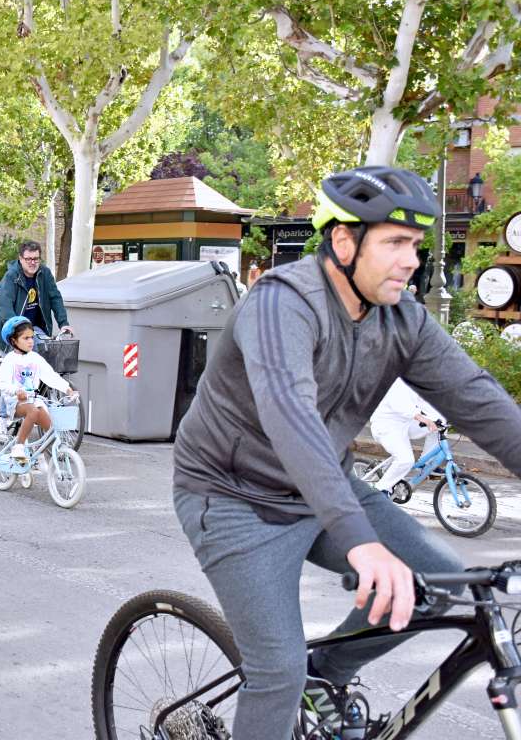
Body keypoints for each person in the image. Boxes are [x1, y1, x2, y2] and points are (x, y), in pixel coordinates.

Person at [171, 165, 521, 739]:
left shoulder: (401, 318)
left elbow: (479, 402)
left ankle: (327, 674)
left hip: (324, 486)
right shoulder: (281, 305)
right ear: (344, 241)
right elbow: (291, 417)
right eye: (395, 242)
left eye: (415, 244)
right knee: (277, 672)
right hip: (234, 498)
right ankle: (296, 682)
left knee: (440, 583)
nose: (412, 259)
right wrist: (362, 543)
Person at [0, 316, 76, 460]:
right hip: (15, 402)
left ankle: (37, 454)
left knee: (50, 426)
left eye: (32, 337)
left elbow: (50, 376)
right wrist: (16, 390)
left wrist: (67, 389)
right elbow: (2, 383)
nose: (31, 341)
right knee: (32, 411)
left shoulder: (35, 358)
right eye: (26, 338)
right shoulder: (9, 360)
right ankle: (18, 446)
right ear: (13, 341)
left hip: (32, 400)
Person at [0, 240, 73, 351]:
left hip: (36, 328)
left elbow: (55, 298)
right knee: (17, 365)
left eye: (36, 259)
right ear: (20, 258)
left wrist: (63, 323)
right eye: (28, 259)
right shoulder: (12, 276)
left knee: (46, 356)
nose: (32, 262)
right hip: (12, 330)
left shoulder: (45, 273)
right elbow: (4, 305)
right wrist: (17, 328)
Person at [368, 378, 444, 492]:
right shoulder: (398, 382)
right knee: (405, 460)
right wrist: (423, 419)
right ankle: (379, 491)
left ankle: (427, 463)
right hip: (387, 427)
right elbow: (401, 406)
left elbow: (426, 404)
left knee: (440, 423)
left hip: (406, 424)